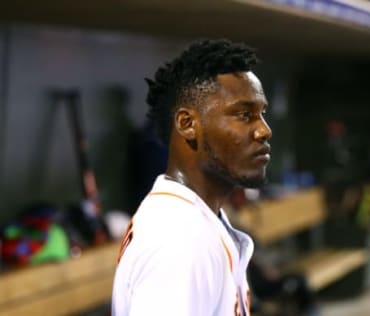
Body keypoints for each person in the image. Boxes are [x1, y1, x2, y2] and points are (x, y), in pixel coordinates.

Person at [111, 39, 272, 316]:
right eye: (244, 115)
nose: (264, 130)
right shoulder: (180, 241)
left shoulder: (194, 219)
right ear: (187, 124)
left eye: (262, 113)